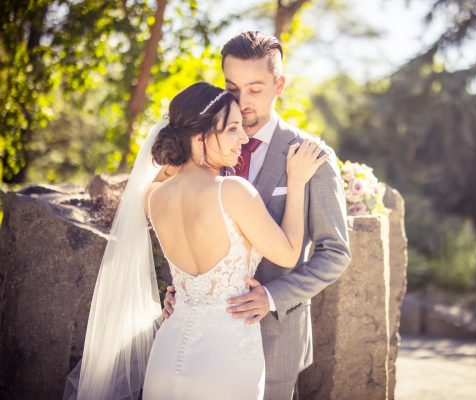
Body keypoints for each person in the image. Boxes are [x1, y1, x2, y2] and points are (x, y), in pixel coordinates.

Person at [63, 82, 327, 400]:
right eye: (232, 129)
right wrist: (296, 181)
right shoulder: (233, 191)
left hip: (167, 351)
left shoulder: (152, 198)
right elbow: (287, 253)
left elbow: (163, 171)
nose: (243, 138)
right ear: (200, 136)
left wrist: (188, 148)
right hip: (227, 355)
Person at [162, 31, 352, 400]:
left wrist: (272, 296)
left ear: (279, 85)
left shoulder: (311, 156)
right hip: (200, 339)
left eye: (255, 89)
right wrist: (178, 289)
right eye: (232, 89)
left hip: (276, 340)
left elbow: (335, 253)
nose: (242, 102)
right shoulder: (200, 147)